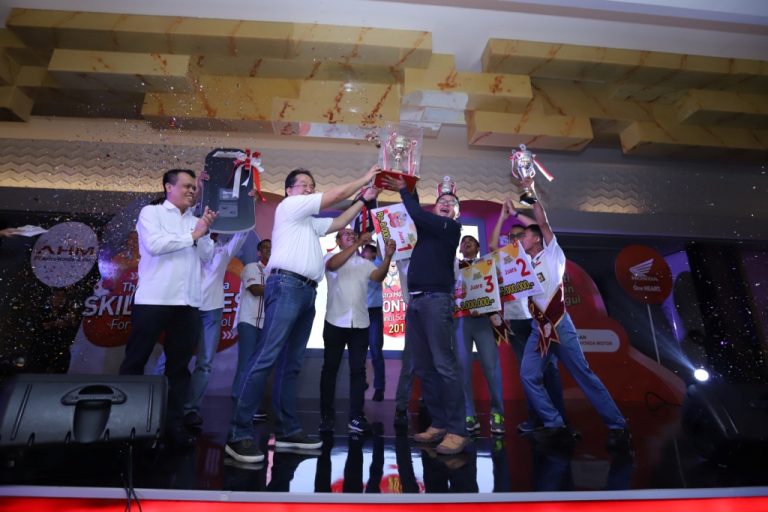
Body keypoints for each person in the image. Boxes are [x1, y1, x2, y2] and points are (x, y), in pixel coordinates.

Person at [226, 164, 381, 465]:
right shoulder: (289, 207)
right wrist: (364, 179)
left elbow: (340, 222)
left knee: (292, 364)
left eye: (312, 185)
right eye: (303, 185)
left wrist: (364, 199)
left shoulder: (307, 222)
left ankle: (287, 431)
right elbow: (333, 197)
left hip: (307, 292)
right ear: (289, 191)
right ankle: (238, 434)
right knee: (265, 358)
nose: (309, 189)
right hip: (286, 286)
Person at [516, 177, 630, 450]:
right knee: (528, 375)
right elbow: (530, 230)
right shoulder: (528, 264)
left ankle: (618, 427)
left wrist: (530, 192)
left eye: (525, 235)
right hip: (538, 329)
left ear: (537, 239)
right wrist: (513, 214)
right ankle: (554, 423)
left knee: (583, 374)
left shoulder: (552, 254)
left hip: (559, 325)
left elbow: (542, 223)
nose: (521, 239)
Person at [119, 168, 217, 445]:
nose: (192, 191)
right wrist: (194, 235)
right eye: (186, 186)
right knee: (135, 361)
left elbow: (207, 257)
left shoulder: (197, 221)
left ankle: (174, 425)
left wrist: (204, 233)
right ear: (168, 187)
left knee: (179, 368)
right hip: (154, 300)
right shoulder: (152, 213)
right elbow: (154, 245)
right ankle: (125, 422)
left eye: (193, 187)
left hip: (188, 303)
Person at [383, 175, 468, 455]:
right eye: (442, 200)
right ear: (434, 207)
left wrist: (404, 191)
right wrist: (410, 187)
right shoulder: (427, 230)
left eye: (451, 202)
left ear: (456, 214)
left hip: (436, 300)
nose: (446, 203)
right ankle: (439, 423)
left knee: (444, 365)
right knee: (423, 367)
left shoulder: (450, 227)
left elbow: (417, 212)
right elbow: (417, 214)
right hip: (417, 302)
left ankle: (458, 429)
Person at [489, 199, 567, 434]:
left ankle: (559, 418)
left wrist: (515, 214)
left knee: (549, 370)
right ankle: (536, 418)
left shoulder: (539, 256)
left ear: (530, 238)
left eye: (520, 236)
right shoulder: (509, 258)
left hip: (538, 320)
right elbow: (492, 246)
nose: (515, 239)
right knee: (528, 374)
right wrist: (502, 217)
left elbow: (540, 227)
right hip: (516, 322)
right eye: (511, 237)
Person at [319, 230, 395, 434]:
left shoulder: (364, 263)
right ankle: (327, 416)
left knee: (358, 371)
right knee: (330, 370)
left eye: (353, 234)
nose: (351, 236)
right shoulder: (330, 257)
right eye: (346, 235)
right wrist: (358, 243)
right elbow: (332, 266)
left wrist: (387, 257)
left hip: (360, 324)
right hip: (335, 321)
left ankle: (356, 416)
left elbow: (378, 277)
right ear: (338, 241)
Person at [182, 231, 247, 428]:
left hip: (212, 311)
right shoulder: (190, 244)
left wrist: (248, 212)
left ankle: (190, 409)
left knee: (205, 363)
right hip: (187, 308)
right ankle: (162, 404)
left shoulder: (223, 251)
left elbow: (241, 233)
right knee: (172, 359)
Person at [454, 235, 506, 435]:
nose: (466, 243)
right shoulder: (453, 267)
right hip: (460, 320)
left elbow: (498, 288)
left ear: (477, 247)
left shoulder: (487, 264)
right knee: (462, 368)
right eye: (463, 241)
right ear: (460, 248)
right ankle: (469, 415)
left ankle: (497, 413)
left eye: (471, 241)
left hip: (483, 320)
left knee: (492, 368)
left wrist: (490, 309)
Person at [232, 238, 271, 421]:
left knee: (259, 367)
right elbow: (255, 289)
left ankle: (252, 405)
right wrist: (279, 286)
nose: (269, 251)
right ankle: (238, 402)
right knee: (246, 364)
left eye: (271, 248)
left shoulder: (275, 272)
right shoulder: (251, 267)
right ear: (258, 252)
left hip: (267, 324)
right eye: (265, 248)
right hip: (249, 321)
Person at [361, 243, 386, 402]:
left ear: (374, 254)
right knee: (359, 351)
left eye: (367, 251)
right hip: (360, 312)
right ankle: (361, 381)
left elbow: (381, 245)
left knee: (375, 349)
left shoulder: (378, 264)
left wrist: (376, 233)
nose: (364, 253)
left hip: (374, 312)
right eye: (363, 251)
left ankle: (379, 387)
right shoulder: (358, 264)